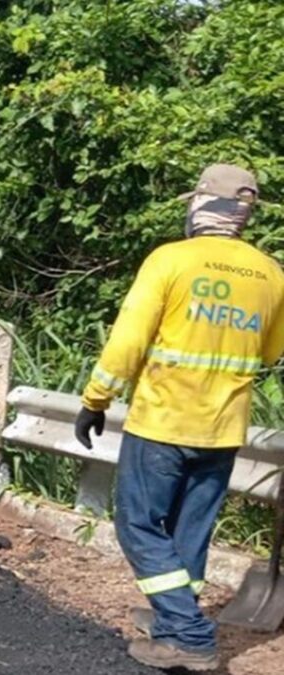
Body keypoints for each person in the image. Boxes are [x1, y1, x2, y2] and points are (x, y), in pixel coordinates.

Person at [75, 164, 284, 671]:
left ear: (200, 205)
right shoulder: (270, 274)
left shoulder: (171, 260)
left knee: (138, 527)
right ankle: (171, 619)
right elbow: (271, 352)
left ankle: (188, 634)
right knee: (189, 531)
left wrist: (96, 399)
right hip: (222, 430)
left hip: (164, 423)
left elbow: (128, 340)